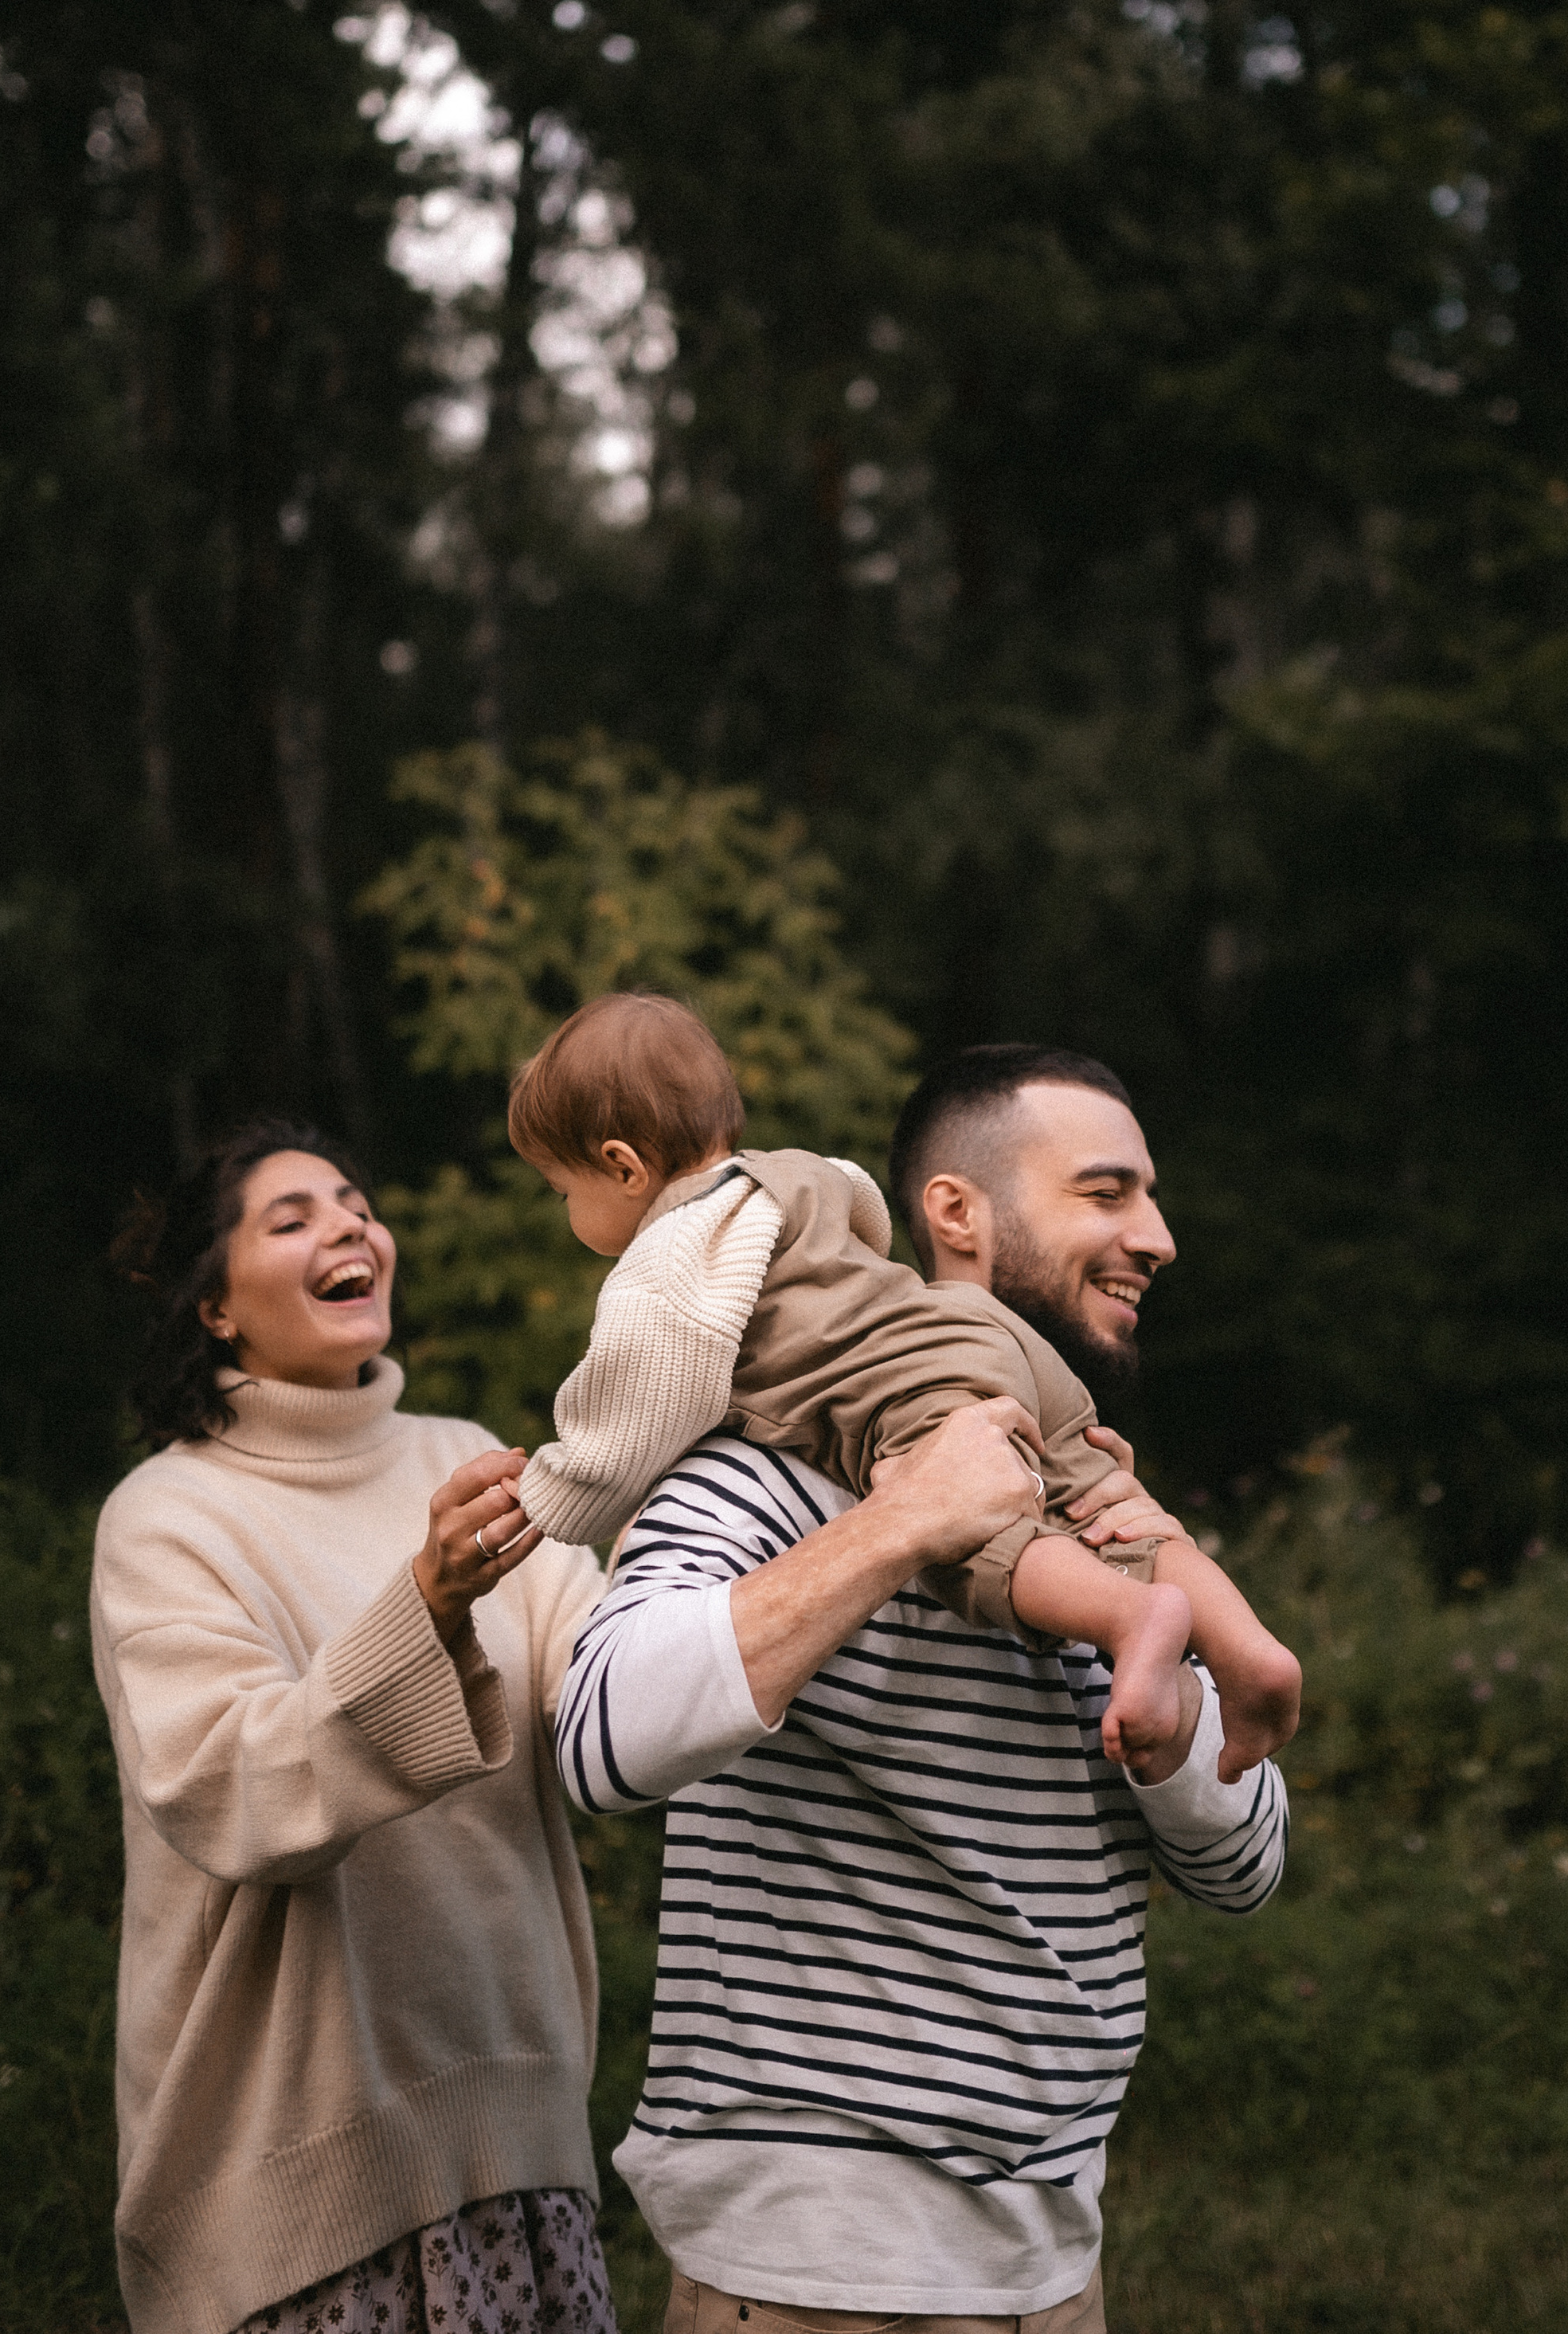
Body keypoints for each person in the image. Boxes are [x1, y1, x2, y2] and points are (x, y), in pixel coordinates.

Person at [557, 1046, 1290, 2332]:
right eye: (1108, 1193)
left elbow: (1252, 1862)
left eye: (1152, 1198)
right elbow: (599, 1739)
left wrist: (1172, 1738)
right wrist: (898, 1528)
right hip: (806, 2271)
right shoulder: (767, 1471)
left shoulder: (1099, 1505)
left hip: (1055, 2268)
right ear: (957, 1212)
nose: (1158, 1236)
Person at [91, 1117, 612, 2334]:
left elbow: (611, 1695)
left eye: (355, 1203)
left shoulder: (469, 1458)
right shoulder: (168, 1515)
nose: (349, 1226)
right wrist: (424, 1603)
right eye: (293, 1217)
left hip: (524, 2150)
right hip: (298, 2195)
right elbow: (236, 1787)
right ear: (216, 1305)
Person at [509, 995, 1300, 1778]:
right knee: (1115, 1510)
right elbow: (867, 1216)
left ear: (621, 1164)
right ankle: (1248, 1648)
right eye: (1103, 1192)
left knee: (981, 1534)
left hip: (919, 1382)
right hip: (977, 1333)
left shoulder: (668, 1251)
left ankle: (1135, 1618)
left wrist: (559, 1501)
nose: (569, 1211)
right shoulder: (796, 1173)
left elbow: (643, 1398)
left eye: (562, 1190)